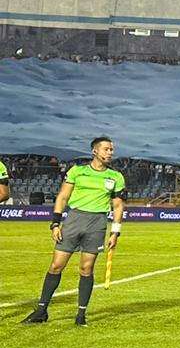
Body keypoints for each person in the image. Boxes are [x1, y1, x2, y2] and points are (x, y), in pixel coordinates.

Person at [20, 137, 125, 327]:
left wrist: (115, 232)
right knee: (56, 266)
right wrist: (55, 223)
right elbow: (63, 196)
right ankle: (41, 311)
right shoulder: (77, 171)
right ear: (95, 151)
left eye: (111, 149)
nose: (110, 152)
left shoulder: (116, 176)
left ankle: (81, 315)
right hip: (74, 220)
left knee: (86, 269)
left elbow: (118, 206)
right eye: (106, 149)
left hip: (97, 224)